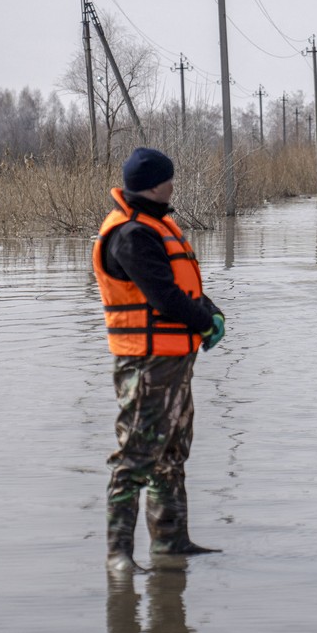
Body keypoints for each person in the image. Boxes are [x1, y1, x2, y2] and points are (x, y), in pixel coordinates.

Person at [93, 147, 226, 573]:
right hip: (146, 364)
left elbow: (182, 288)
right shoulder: (132, 234)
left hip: (173, 363)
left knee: (172, 452)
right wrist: (203, 323)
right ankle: (118, 556)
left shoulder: (157, 225)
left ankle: (171, 544)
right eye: (170, 178)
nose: (174, 184)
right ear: (155, 184)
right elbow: (163, 297)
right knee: (136, 456)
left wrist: (211, 311)